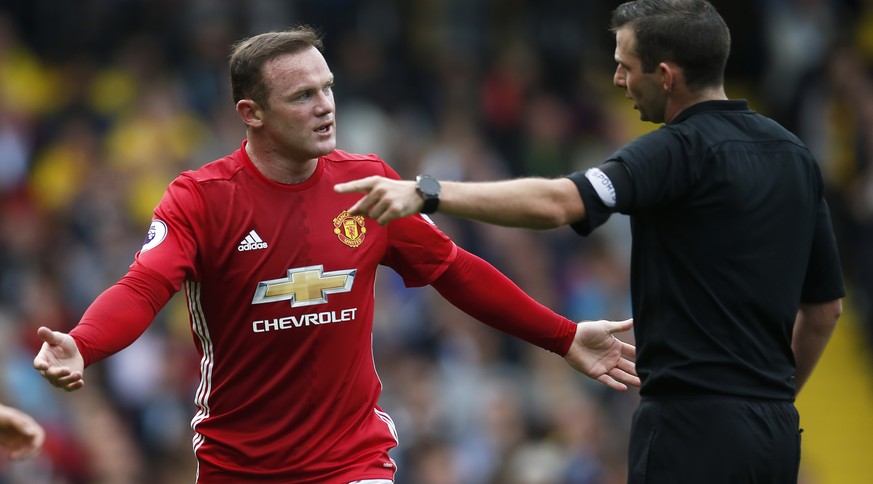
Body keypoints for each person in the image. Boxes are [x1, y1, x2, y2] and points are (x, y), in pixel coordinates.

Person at [32, 25, 638, 484]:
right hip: (238, 465)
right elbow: (142, 288)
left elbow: (453, 270)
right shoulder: (201, 199)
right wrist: (83, 344)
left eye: (328, 88)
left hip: (353, 460)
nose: (325, 106)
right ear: (252, 113)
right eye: (302, 96)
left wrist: (562, 337)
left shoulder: (370, 183)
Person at [334, 1, 845, 482]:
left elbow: (560, 203)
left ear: (665, 76)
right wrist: (769, 403)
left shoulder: (673, 150)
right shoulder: (794, 155)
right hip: (776, 433)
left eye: (625, 65)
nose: (617, 78)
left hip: (692, 427)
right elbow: (824, 311)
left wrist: (429, 192)